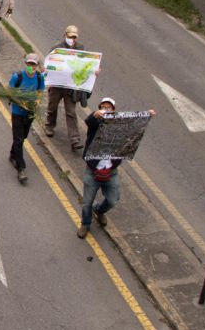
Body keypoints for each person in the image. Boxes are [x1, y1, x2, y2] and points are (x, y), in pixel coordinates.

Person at [76, 98, 156, 238]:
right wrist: (95, 115)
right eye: (103, 107)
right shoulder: (96, 124)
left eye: (109, 107)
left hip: (111, 173)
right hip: (92, 172)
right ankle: (85, 224)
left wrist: (147, 115)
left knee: (112, 200)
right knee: (87, 202)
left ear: (114, 110)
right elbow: (89, 121)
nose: (106, 109)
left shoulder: (120, 127)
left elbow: (134, 126)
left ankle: (99, 210)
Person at [45, 25, 86, 151]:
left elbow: (84, 65)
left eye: (74, 37)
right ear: (65, 35)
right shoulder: (57, 48)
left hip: (70, 87)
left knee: (71, 112)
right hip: (57, 85)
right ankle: (49, 125)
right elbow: (49, 63)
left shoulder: (80, 48)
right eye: (70, 37)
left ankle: (75, 139)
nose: (72, 39)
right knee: (52, 107)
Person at [7, 52, 45, 185]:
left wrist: (36, 102)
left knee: (22, 137)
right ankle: (21, 169)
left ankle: (13, 154)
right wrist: (20, 101)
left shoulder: (39, 78)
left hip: (30, 113)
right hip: (17, 112)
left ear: (37, 65)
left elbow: (40, 93)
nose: (31, 67)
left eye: (34, 65)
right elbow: (10, 93)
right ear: (25, 64)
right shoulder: (17, 77)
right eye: (29, 64)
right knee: (18, 140)